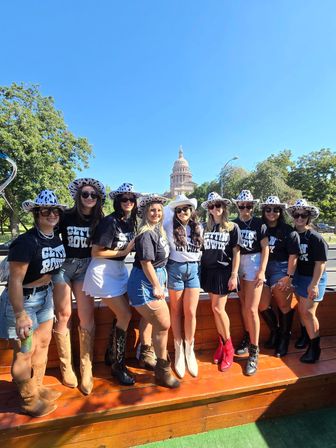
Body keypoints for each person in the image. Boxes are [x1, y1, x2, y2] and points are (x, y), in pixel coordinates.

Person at [0, 190, 66, 417]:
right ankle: (28, 399)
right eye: (46, 210)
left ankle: (36, 387)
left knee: (43, 343)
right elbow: (14, 281)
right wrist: (20, 314)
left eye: (55, 210)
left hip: (44, 299)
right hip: (24, 302)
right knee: (24, 352)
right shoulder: (25, 243)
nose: (52, 214)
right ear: (37, 214)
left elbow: (55, 274)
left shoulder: (55, 239)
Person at [52, 178, 105, 395]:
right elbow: (50, 235)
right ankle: (66, 366)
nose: (89, 197)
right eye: (85, 194)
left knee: (86, 316)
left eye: (93, 194)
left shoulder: (100, 220)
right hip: (64, 266)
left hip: (86, 268)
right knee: (63, 314)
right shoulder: (66, 216)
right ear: (79, 195)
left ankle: (86, 367)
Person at [83, 183, 139, 386]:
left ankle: (111, 354)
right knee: (125, 314)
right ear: (118, 201)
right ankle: (118, 365)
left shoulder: (129, 222)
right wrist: (123, 253)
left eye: (132, 199)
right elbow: (95, 252)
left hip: (119, 272)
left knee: (122, 313)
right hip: (103, 271)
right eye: (124, 199)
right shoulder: (110, 222)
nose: (128, 202)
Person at [127, 194, 179, 388]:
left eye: (159, 210)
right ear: (145, 214)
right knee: (164, 324)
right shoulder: (146, 233)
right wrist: (157, 285)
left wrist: (161, 282)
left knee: (150, 319)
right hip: (144, 283)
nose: (156, 213)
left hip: (155, 279)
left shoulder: (159, 232)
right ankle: (163, 370)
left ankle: (146, 355)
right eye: (152, 210)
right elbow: (146, 262)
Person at [200, 192, 241, 372]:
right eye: (211, 206)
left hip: (224, 271)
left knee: (219, 309)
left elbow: (236, 252)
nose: (215, 209)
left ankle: (229, 347)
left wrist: (234, 274)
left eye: (218, 205)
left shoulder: (232, 227)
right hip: (208, 271)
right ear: (208, 209)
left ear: (223, 207)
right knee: (214, 310)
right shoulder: (204, 227)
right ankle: (221, 344)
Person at [163, 194, 203, 378]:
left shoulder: (198, 227)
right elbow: (155, 219)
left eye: (185, 209)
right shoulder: (169, 225)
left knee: (191, 312)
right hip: (175, 269)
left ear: (191, 210)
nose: (182, 212)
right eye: (178, 210)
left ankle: (189, 349)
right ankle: (178, 349)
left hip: (193, 270)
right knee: (176, 311)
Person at [232, 190, 269, 375]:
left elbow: (265, 248)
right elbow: (235, 250)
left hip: (255, 264)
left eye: (248, 206)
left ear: (252, 206)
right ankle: (248, 336)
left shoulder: (259, 224)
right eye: (242, 205)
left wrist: (262, 271)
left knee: (252, 309)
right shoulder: (234, 224)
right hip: (240, 265)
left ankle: (254, 351)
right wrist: (234, 271)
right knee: (243, 306)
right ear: (237, 206)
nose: (245, 209)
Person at [287, 199, 328, 363]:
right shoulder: (293, 234)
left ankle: (315, 348)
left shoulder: (315, 237)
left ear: (309, 217)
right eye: (296, 215)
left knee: (308, 313)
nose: (299, 218)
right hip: (299, 276)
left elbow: (321, 263)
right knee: (302, 310)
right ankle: (305, 337)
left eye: (303, 215)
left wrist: (314, 284)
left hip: (313, 278)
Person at [259, 196, 300, 357]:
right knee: (261, 304)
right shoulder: (260, 227)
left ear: (280, 211)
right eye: (268, 209)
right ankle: (275, 331)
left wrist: (289, 276)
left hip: (281, 267)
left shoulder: (288, 230)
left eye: (276, 209)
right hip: (261, 267)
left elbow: (293, 255)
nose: (272, 212)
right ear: (264, 211)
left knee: (283, 304)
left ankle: (284, 337)